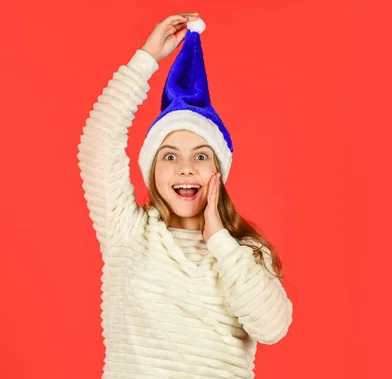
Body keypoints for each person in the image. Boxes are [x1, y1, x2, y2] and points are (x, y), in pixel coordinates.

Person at [77, 12, 294, 378]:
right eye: (170, 155)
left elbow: (272, 328)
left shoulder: (244, 251)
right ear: (153, 170)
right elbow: (98, 143)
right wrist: (146, 58)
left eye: (201, 155)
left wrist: (221, 241)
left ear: (218, 171)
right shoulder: (128, 232)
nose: (186, 168)